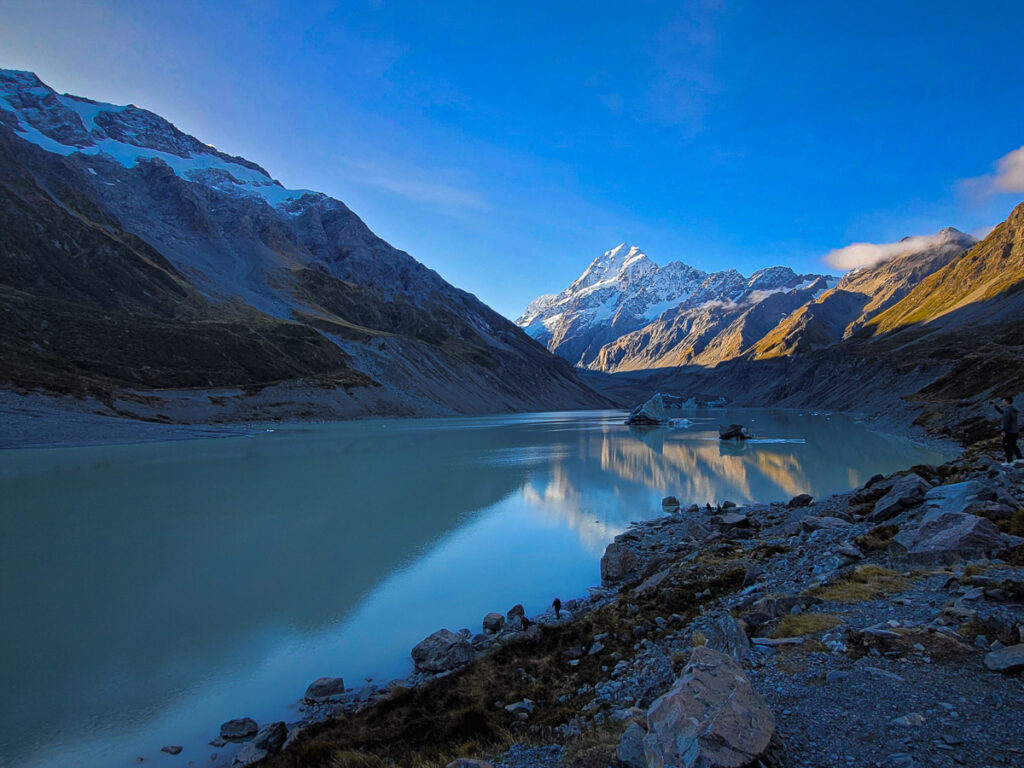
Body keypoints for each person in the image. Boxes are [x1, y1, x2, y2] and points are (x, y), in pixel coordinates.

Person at [991, 395, 1022, 464]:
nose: (1002, 402)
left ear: (1007, 402)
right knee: (1013, 445)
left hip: (1009, 431)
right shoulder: (1012, 409)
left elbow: (1007, 422)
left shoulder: (1008, 410)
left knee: (1007, 446)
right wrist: (995, 406)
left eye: (1003, 401)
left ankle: (1009, 461)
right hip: (1015, 431)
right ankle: (1020, 458)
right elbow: (1003, 413)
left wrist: (1004, 431)